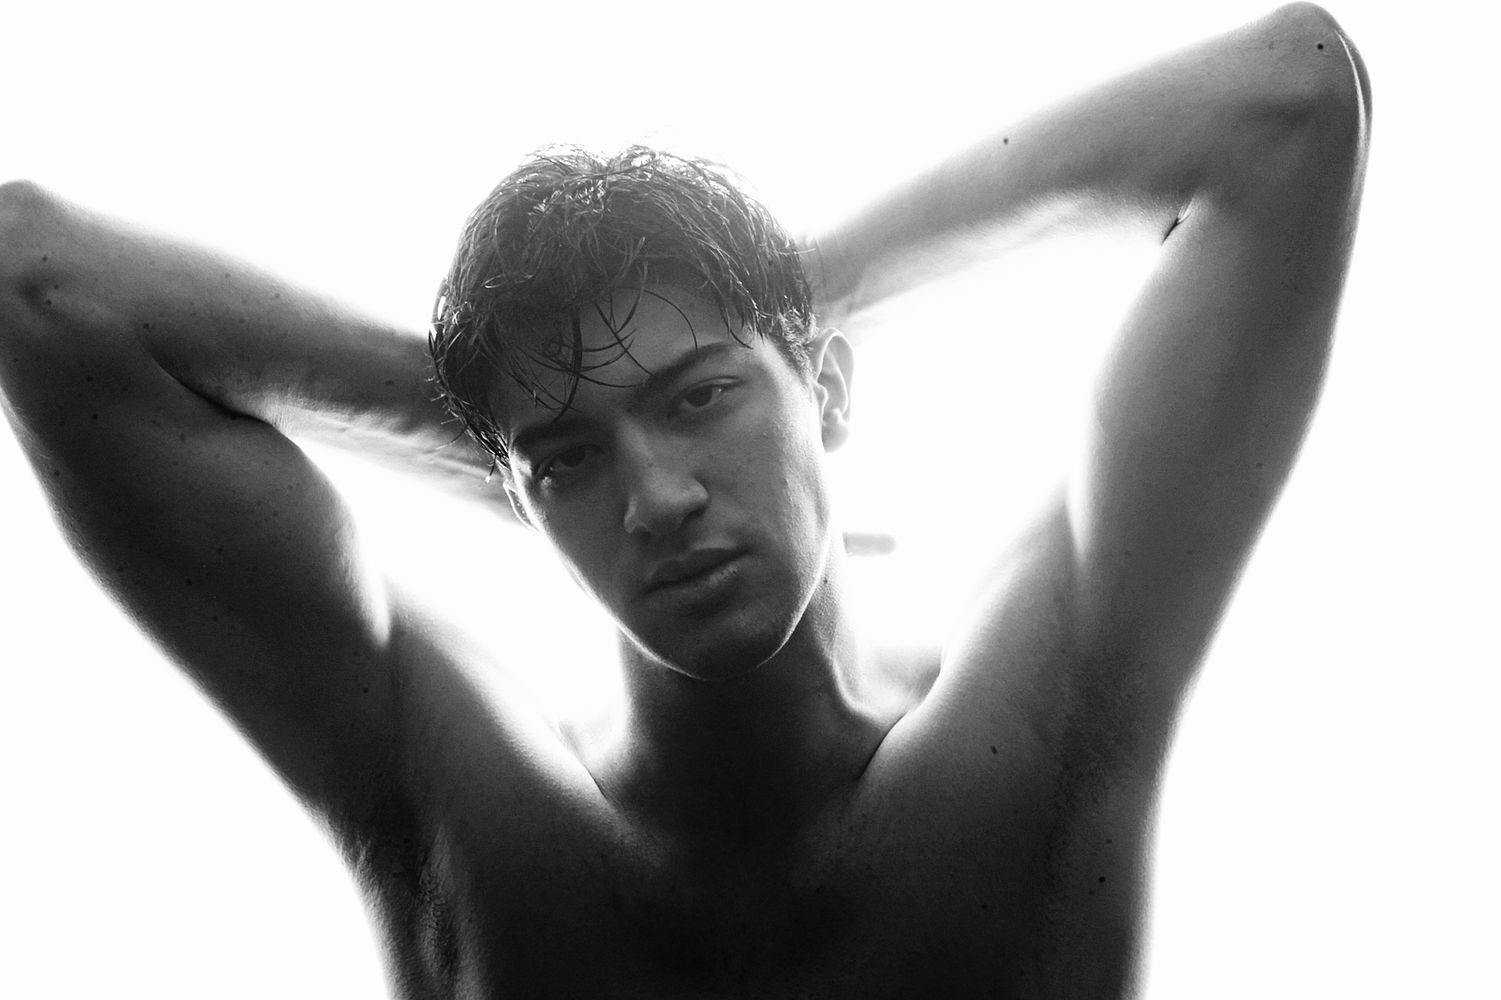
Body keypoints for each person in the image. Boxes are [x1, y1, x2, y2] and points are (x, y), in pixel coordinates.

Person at [0, 3, 1369, 996]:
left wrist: (777, 295)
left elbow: (1288, 101)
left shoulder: (1034, 721)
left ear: (828, 392)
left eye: (701, 399)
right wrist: (498, 422)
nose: (655, 500)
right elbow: (32, 281)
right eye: (574, 464)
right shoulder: (467, 805)